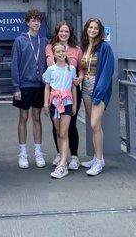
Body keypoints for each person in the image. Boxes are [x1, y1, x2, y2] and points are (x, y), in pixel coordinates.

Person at [11, 9, 47, 169]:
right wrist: (16, 86)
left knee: (37, 118)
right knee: (23, 118)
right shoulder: (20, 40)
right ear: (27, 22)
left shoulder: (44, 41)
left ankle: (38, 152)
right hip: (24, 85)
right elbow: (14, 65)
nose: (36, 23)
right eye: (33, 20)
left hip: (39, 85)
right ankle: (23, 153)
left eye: (38, 20)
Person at [45, 21, 83, 170]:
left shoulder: (76, 49)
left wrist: (79, 78)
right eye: (61, 31)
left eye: (66, 31)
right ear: (57, 32)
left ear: (70, 33)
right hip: (54, 93)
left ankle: (74, 156)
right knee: (56, 127)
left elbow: (80, 69)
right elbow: (47, 68)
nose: (63, 34)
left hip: (70, 92)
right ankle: (60, 154)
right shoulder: (49, 47)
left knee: (71, 124)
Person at [79, 18, 114, 176]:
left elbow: (107, 72)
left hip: (98, 90)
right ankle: (96, 157)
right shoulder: (85, 47)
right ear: (87, 29)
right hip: (86, 89)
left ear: (99, 31)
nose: (93, 30)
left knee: (94, 124)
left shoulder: (105, 47)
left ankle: (99, 162)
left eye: (96, 28)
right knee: (95, 125)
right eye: (90, 27)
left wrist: (98, 93)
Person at [43, 42, 77, 179]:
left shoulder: (71, 69)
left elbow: (74, 87)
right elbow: (47, 87)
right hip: (54, 103)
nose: (61, 54)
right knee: (58, 132)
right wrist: (46, 104)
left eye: (63, 51)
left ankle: (63, 164)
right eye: (58, 52)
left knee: (64, 132)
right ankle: (62, 160)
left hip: (67, 103)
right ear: (54, 54)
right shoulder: (51, 70)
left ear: (66, 52)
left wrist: (74, 104)